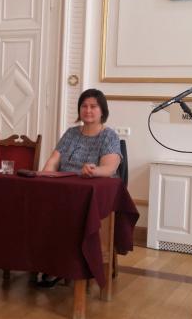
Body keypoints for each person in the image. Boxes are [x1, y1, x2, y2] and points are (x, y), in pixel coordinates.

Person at [38, 88, 122, 287]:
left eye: (93, 106)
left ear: (102, 111)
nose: (88, 110)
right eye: (84, 106)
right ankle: (46, 261)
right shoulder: (71, 133)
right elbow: (53, 162)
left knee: (68, 214)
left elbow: (110, 168)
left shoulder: (109, 135)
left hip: (90, 191)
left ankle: (67, 265)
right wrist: (45, 177)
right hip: (64, 187)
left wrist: (94, 171)